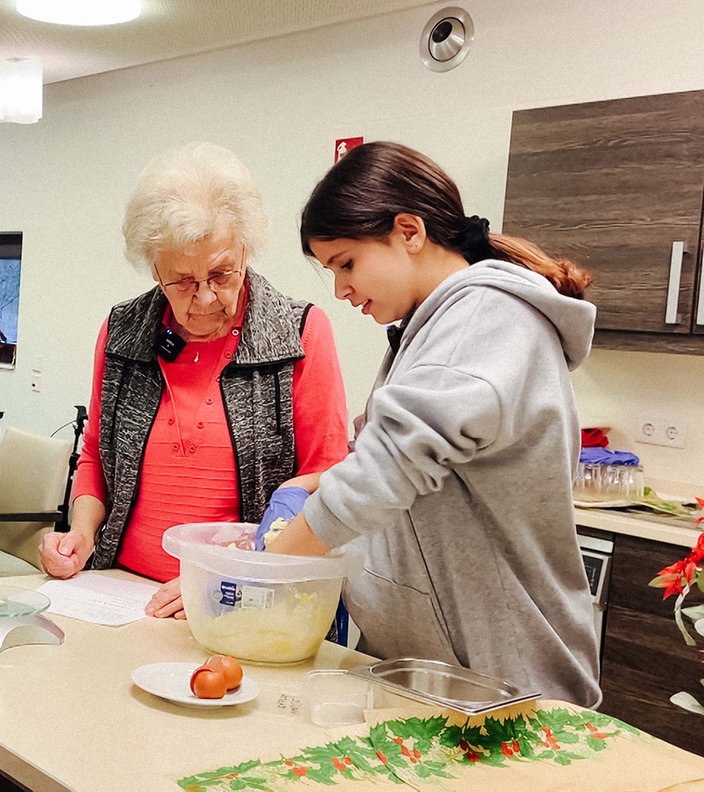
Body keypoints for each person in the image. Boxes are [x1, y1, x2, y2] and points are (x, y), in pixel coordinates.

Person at [265, 140, 602, 708]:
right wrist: (314, 482)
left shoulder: (488, 318)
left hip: (507, 682)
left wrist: (260, 574)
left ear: (410, 231)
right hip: (432, 674)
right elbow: (413, 456)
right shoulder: (429, 329)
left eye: (346, 263)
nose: (342, 289)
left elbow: (389, 469)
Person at [39, 142, 349, 618]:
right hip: (123, 594)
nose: (204, 297)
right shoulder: (123, 332)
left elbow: (325, 481)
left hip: (242, 603)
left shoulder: (300, 334)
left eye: (222, 273)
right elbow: (97, 456)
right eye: (181, 280)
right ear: (154, 268)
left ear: (247, 249)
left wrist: (228, 578)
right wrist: (81, 534)